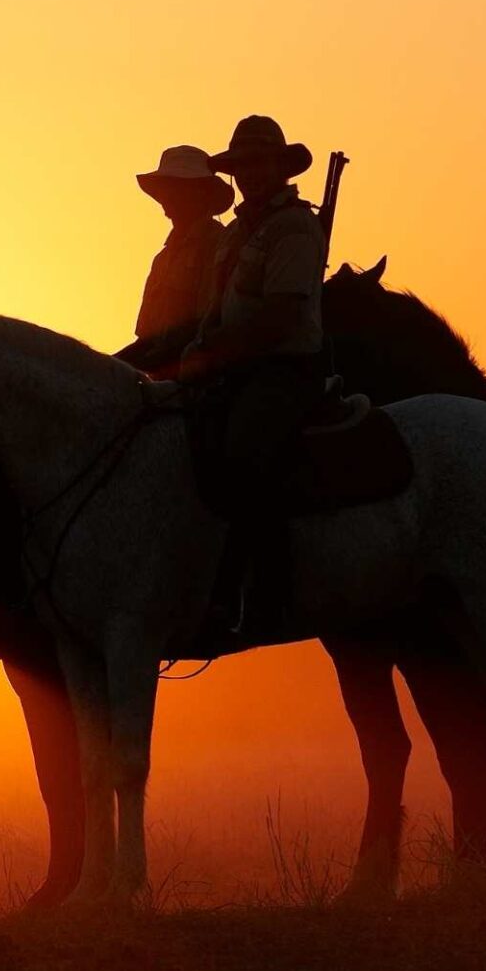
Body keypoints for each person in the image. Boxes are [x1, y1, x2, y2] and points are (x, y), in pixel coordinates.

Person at [179, 115, 328, 632]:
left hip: (283, 369)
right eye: (242, 166)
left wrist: (213, 353)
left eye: (260, 163)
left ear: (281, 168)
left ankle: (262, 588)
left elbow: (281, 318)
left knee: (245, 448)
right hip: (230, 366)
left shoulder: (294, 227)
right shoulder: (238, 232)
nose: (250, 175)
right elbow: (215, 311)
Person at [118, 145, 234, 374]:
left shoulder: (219, 245)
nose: (169, 196)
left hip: (197, 374)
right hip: (158, 373)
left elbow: (204, 325)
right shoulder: (163, 258)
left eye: (179, 188)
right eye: (167, 188)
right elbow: (146, 336)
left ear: (201, 193)